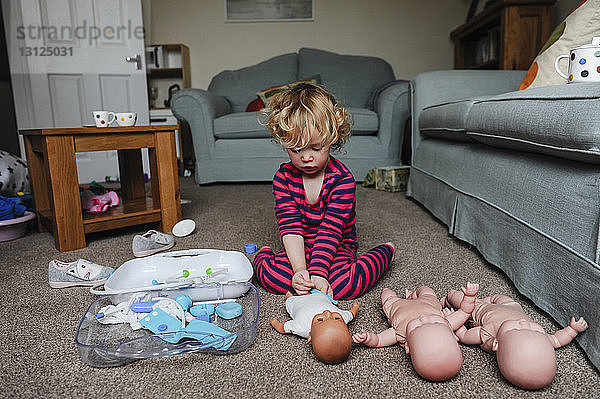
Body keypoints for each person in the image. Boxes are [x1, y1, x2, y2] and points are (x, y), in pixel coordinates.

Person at [252, 83, 395, 300]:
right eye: (296, 149)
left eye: (316, 148)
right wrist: (300, 271)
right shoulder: (283, 178)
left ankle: (385, 252)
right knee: (272, 277)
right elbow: (289, 225)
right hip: (301, 245)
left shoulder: (342, 179)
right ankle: (263, 254)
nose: (306, 157)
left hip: (336, 244)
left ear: (333, 137)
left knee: (343, 287)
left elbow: (331, 229)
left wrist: (319, 273)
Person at [443, 288, 588, 389]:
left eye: (515, 329)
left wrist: (455, 321)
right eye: (534, 329)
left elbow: (464, 336)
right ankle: (490, 299)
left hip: (480, 309)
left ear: (497, 343)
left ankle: (449, 297)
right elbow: (557, 340)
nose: (524, 324)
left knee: (460, 298)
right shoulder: (545, 339)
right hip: (511, 306)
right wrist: (572, 330)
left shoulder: (488, 335)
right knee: (503, 298)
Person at [352, 282, 479, 381]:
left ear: (408, 346)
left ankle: (398, 296)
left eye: (417, 326)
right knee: (426, 289)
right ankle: (412, 295)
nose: (423, 318)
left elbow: (379, 340)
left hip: (396, 305)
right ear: (452, 335)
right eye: (435, 322)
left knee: (386, 294)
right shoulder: (448, 323)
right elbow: (465, 312)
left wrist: (367, 338)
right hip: (427, 300)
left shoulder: (400, 335)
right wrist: (469, 297)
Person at [270, 290, 360, 363]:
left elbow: (285, 328)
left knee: (291, 302)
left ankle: (290, 297)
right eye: (336, 318)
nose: (327, 313)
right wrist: (355, 308)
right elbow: (351, 314)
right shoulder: (343, 317)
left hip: (300, 304)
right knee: (320, 293)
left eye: (320, 320)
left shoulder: (302, 327)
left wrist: (276, 324)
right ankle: (309, 292)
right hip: (320, 297)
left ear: (310, 336)